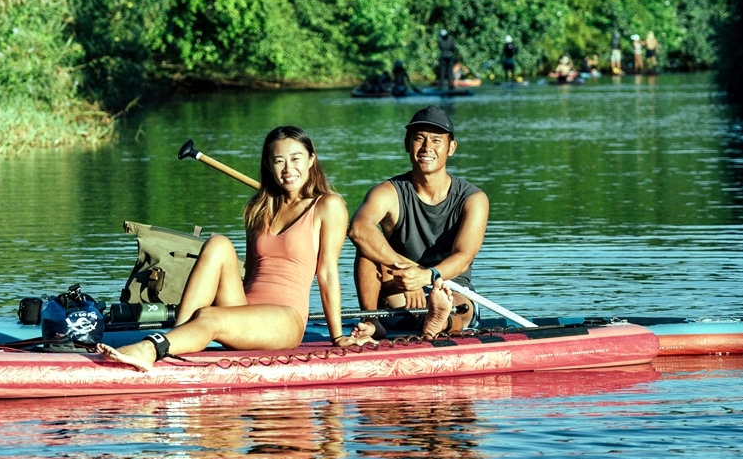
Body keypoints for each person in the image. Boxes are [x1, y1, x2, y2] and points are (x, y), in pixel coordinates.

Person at [101, 126, 359, 371]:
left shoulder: (329, 205)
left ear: (311, 159)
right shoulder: (259, 208)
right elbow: (253, 270)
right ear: (268, 165)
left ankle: (152, 349)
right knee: (219, 243)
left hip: (285, 320)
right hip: (244, 308)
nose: (288, 168)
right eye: (279, 161)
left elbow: (327, 274)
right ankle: (177, 339)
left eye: (296, 158)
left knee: (210, 317)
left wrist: (338, 336)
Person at [348, 105, 490, 339]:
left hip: (450, 287)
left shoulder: (473, 199)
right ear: (407, 144)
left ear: (451, 148)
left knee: (453, 303)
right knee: (366, 250)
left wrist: (427, 276)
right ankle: (372, 320)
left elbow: (464, 257)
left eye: (436, 140)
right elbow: (358, 230)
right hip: (400, 290)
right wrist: (406, 272)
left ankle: (441, 322)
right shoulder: (388, 192)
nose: (426, 148)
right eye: (419, 139)